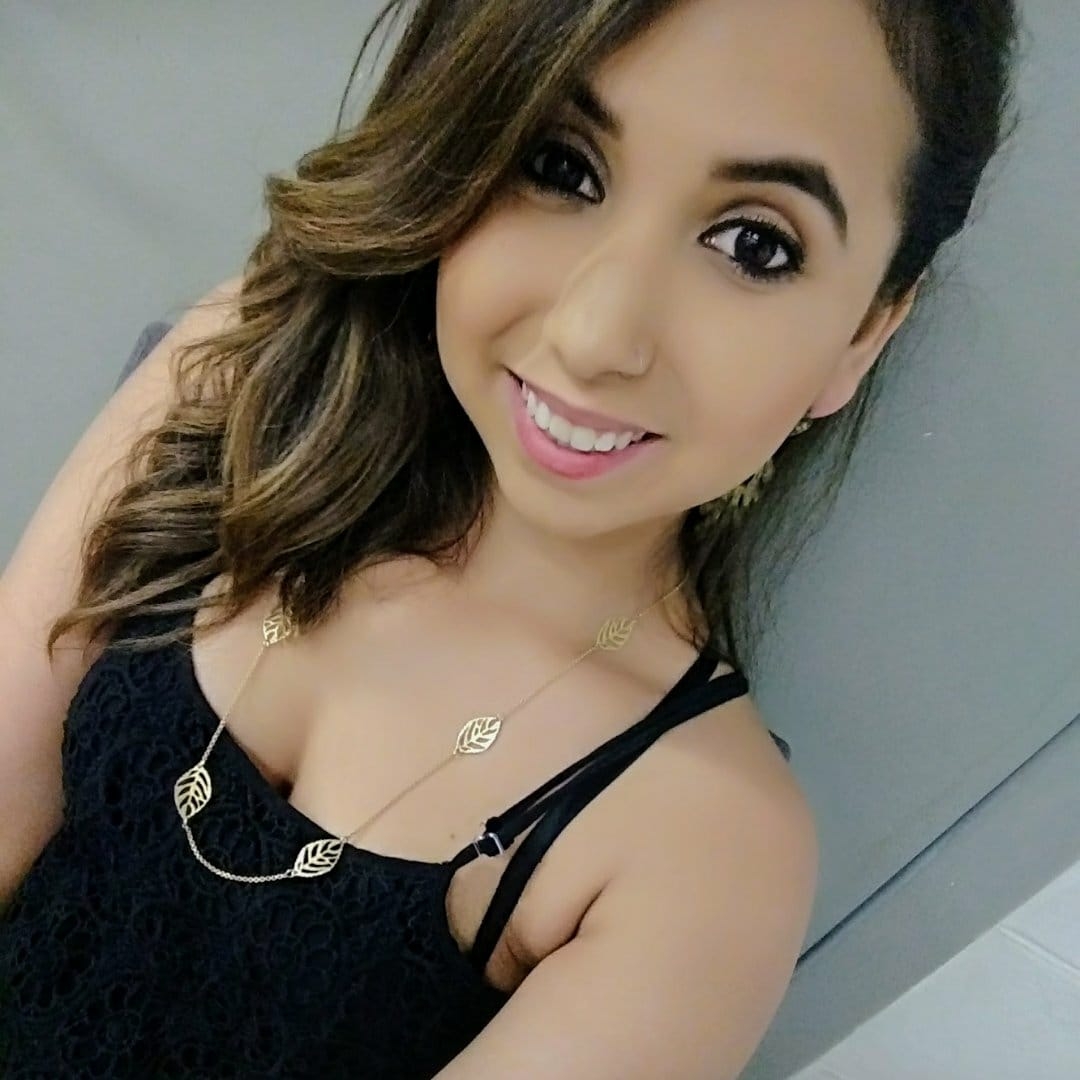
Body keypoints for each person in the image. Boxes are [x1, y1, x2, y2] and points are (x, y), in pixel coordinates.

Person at [0, 0, 1018, 1076]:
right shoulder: (246, 384)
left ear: (864, 332)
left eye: (754, 244)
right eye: (561, 166)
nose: (596, 334)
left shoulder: (703, 844)